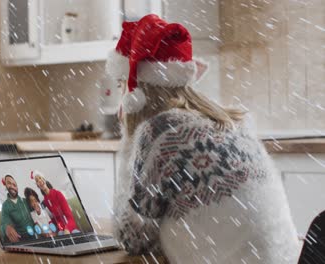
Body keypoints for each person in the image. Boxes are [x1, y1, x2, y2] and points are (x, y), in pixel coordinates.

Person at [106, 14, 301, 263]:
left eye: (123, 84)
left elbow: (132, 239)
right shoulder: (232, 122)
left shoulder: (160, 133)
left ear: (135, 95)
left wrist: (128, 147)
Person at [33, 171, 79, 235]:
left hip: (70, 226)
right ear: (37, 186)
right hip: (61, 229)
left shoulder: (58, 194)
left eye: (40, 178)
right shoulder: (45, 201)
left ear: (44, 179)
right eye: (37, 181)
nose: (39, 181)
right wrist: (58, 229)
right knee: (60, 234)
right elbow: (56, 219)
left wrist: (67, 229)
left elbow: (70, 217)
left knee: (75, 233)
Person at [0, 174, 34, 243]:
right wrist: (7, 228)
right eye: (9, 183)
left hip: (34, 234)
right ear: (6, 186)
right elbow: (4, 222)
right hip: (21, 238)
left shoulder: (25, 201)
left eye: (14, 185)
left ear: (17, 188)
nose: (12, 186)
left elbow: (36, 212)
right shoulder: (5, 205)